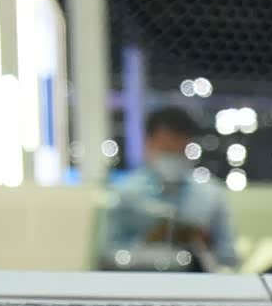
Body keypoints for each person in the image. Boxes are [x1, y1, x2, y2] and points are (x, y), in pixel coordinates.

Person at [102, 107, 238, 271]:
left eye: (178, 152)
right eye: (166, 151)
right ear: (148, 144)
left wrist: (204, 246)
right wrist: (148, 243)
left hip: (195, 281)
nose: (172, 158)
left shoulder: (211, 196)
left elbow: (229, 257)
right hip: (138, 280)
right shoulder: (125, 193)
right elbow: (106, 253)